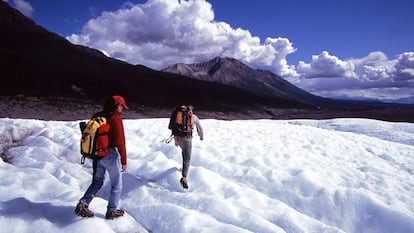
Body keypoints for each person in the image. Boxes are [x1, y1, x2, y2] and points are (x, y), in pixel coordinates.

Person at [75, 95, 129, 219]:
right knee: (116, 185)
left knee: (97, 183)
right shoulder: (116, 119)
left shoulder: (97, 115)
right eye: (121, 106)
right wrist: (124, 160)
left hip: (97, 155)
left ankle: (83, 204)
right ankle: (111, 211)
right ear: (117, 105)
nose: (122, 109)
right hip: (110, 154)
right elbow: (120, 141)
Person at [170, 105, 203, 189]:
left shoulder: (177, 115)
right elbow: (200, 128)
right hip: (187, 139)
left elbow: (173, 126)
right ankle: (184, 177)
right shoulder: (193, 117)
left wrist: (176, 141)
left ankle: (183, 168)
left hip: (177, 138)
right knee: (187, 158)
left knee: (183, 152)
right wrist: (201, 136)